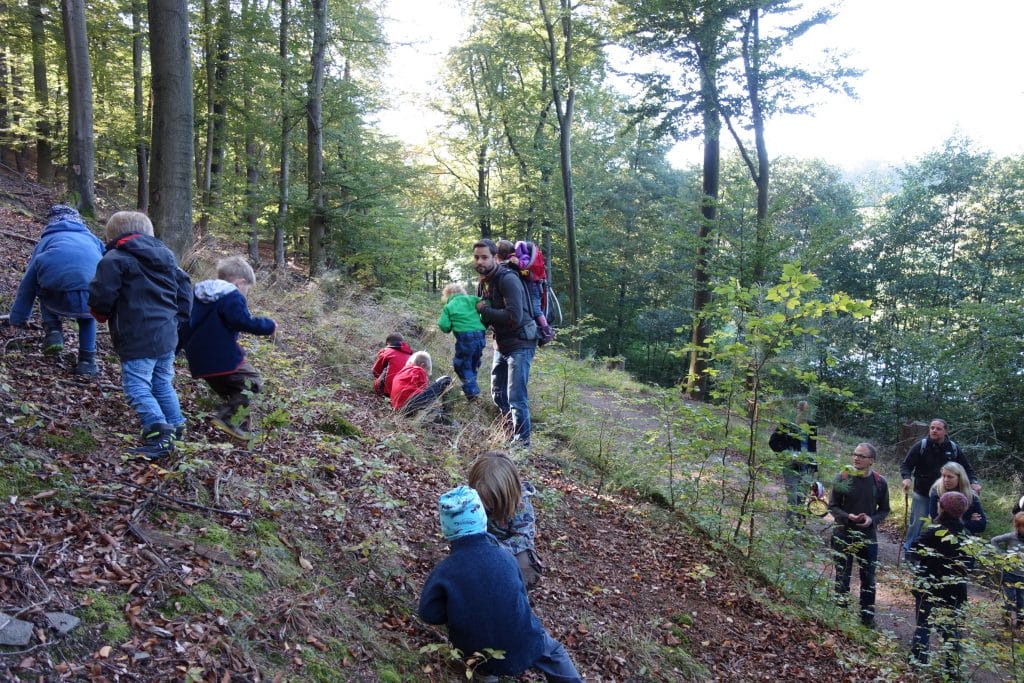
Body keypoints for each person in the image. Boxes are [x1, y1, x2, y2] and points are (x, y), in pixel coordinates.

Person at [418, 486, 582, 682]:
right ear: (483, 519)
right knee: (554, 652)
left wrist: (457, 611)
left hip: (477, 655)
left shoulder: (445, 570)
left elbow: (428, 613)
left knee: (482, 664)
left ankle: (487, 675)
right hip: (523, 643)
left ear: (446, 530)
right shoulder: (505, 556)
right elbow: (521, 596)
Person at [88, 211, 192, 459]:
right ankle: (176, 427)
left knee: (136, 386)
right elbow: (186, 288)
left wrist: (99, 313)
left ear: (112, 235)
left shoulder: (114, 259)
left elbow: (102, 294)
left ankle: (159, 434)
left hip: (137, 334)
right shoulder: (167, 257)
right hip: (167, 333)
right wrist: (179, 319)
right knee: (162, 382)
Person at [179, 256, 276, 441]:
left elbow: (184, 322)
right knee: (252, 382)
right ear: (240, 282)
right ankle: (228, 419)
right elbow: (241, 321)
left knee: (237, 392)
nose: (246, 293)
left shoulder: (197, 293)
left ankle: (242, 430)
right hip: (221, 357)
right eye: (247, 288)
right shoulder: (232, 295)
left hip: (198, 360)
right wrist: (268, 326)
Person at [8, 205, 104, 375]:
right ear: (79, 221)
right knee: (88, 319)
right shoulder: (93, 239)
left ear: (51, 223)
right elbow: (108, 260)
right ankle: (87, 361)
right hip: (90, 289)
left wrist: (18, 317)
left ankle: (53, 332)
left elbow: (29, 283)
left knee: (43, 289)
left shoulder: (47, 240)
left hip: (55, 291)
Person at [474, 239, 537, 448]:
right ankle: (509, 433)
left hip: (521, 342)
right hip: (501, 344)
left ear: (495, 258)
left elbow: (514, 316)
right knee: (498, 393)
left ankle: (521, 446)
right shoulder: (483, 282)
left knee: (516, 397)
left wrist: (484, 310)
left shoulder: (508, 279)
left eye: (484, 257)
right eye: (477, 257)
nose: (480, 261)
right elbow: (484, 317)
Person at [911, 491, 973, 676]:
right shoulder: (966, 534)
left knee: (923, 625)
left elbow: (915, 550)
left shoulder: (934, 531)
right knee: (951, 631)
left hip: (928, 587)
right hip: (955, 591)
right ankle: (952, 671)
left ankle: (917, 666)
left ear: (943, 508)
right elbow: (970, 564)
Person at [828, 442, 890, 627]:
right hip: (843, 533)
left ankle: (867, 619)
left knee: (868, 578)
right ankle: (840, 616)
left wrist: (872, 519)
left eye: (861, 456)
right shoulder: (842, 477)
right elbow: (832, 506)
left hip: (867, 537)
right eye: (855, 454)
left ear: (871, 461)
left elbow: (884, 510)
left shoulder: (880, 482)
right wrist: (848, 517)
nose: (856, 458)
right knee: (842, 575)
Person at [901, 419, 980, 552]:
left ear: (945, 431)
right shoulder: (922, 446)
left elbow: (966, 468)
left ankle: (939, 552)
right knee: (916, 523)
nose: (934, 431)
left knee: (943, 524)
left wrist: (974, 482)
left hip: (944, 495)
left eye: (938, 429)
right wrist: (907, 478)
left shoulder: (953, 448)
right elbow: (906, 465)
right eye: (932, 428)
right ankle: (909, 550)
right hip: (922, 493)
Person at [467, 452, 543, 590]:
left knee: (526, 564)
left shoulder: (521, 504)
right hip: (481, 545)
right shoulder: (471, 499)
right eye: (481, 497)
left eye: (490, 499)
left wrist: (494, 548)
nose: (485, 504)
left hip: (511, 551)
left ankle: (514, 591)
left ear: (506, 494)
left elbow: (524, 538)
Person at [768, 400, 817, 525]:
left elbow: (813, 447)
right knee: (793, 499)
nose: (805, 414)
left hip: (807, 466)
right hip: (791, 466)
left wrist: (814, 468)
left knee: (802, 499)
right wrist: (786, 455)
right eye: (803, 411)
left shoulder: (812, 425)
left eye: (807, 411)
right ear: (797, 410)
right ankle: (789, 528)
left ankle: (799, 527)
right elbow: (773, 442)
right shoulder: (787, 424)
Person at [437, 283, 486, 400]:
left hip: (465, 337)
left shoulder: (449, 306)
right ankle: (471, 388)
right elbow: (485, 307)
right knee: (474, 363)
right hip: (480, 334)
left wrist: (450, 326)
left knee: (461, 365)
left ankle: (472, 393)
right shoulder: (473, 299)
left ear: (447, 295)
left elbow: (444, 326)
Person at [511, 240, 556, 345]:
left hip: (534, 287)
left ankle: (547, 331)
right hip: (533, 286)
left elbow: (525, 268)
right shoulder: (532, 257)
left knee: (536, 310)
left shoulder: (528, 258)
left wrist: (518, 263)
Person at [390, 351, 453, 421]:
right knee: (446, 379)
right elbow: (424, 389)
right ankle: (448, 415)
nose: (426, 376)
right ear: (422, 365)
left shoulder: (402, 372)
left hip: (398, 408)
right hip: (411, 404)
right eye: (426, 373)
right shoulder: (418, 370)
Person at [927, 462, 986, 535]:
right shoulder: (937, 491)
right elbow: (936, 520)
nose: (946, 480)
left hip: (965, 536)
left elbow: (981, 525)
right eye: (943, 476)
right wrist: (967, 521)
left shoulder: (971, 495)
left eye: (950, 477)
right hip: (940, 534)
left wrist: (952, 522)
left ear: (960, 478)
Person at [991, 512, 1024, 629]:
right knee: (1008, 598)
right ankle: (1006, 621)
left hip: (1023, 576)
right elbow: (994, 540)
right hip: (1009, 573)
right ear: (1017, 526)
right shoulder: (1012, 536)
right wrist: (1002, 555)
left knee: (1022, 600)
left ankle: (1020, 623)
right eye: (1022, 526)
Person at [372, 333, 412, 398]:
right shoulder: (412, 357)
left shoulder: (386, 351)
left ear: (388, 342)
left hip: (384, 391)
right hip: (400, 395)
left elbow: (375, 371)